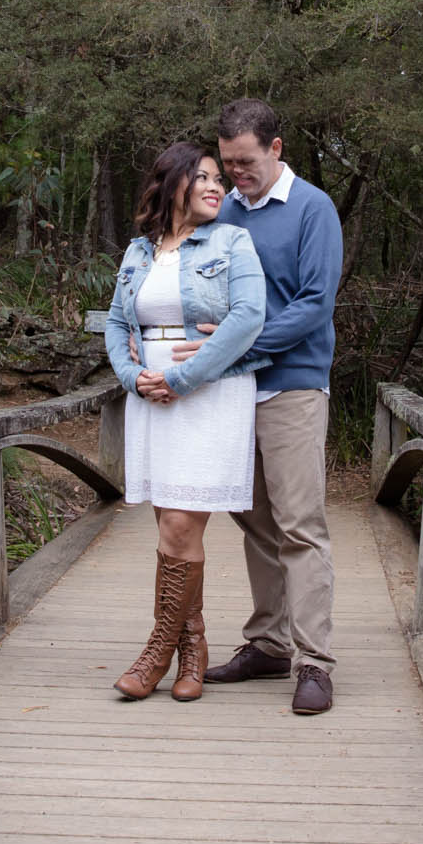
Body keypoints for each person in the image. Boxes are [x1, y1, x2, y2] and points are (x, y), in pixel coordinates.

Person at [137, 98, 343, 715]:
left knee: (300, 524)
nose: (235, 174)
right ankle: (269, 643)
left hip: (291, 385)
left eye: (246, 162)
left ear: (276, 149)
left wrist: (233, 348)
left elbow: (315, 304)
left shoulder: (312, 208)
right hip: (227, 392)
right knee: (253, 521)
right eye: (227, 164)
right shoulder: (223, 211)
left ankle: (314, 662)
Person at [102, 141, 267, 702]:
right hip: (152, 398)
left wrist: (181, 378)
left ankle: (156, 652)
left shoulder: (232, 241)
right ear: (173, 183)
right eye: (204, 177)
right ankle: (192, 648)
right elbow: (117, 323)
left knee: (179, 525)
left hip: (208, 395)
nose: (218, 186)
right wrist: (134, 378)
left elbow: (248, 318)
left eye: (220, 179)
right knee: (172, 528)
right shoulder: (138, 251)